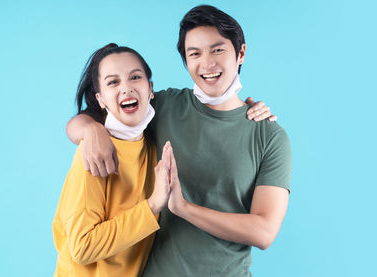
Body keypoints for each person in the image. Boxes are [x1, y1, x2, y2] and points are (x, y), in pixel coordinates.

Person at [66, 5, 292, 276]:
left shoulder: (269, 136)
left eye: (217, 49)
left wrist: (183, 208)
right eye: (194, 53)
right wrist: (92, 131)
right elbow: (87, 118)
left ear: (240, 52)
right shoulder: (165, 106)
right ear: (185, 60)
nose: (207, 63)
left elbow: (264, 232)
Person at [53, 43, 172, 276]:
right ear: (101, 99)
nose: (126, 89)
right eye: (113, 82)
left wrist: (250, 113)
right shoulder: (93, 153)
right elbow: (82, 246)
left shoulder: (151, 144)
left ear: (150, 88)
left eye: (135, 77)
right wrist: (153, 206)